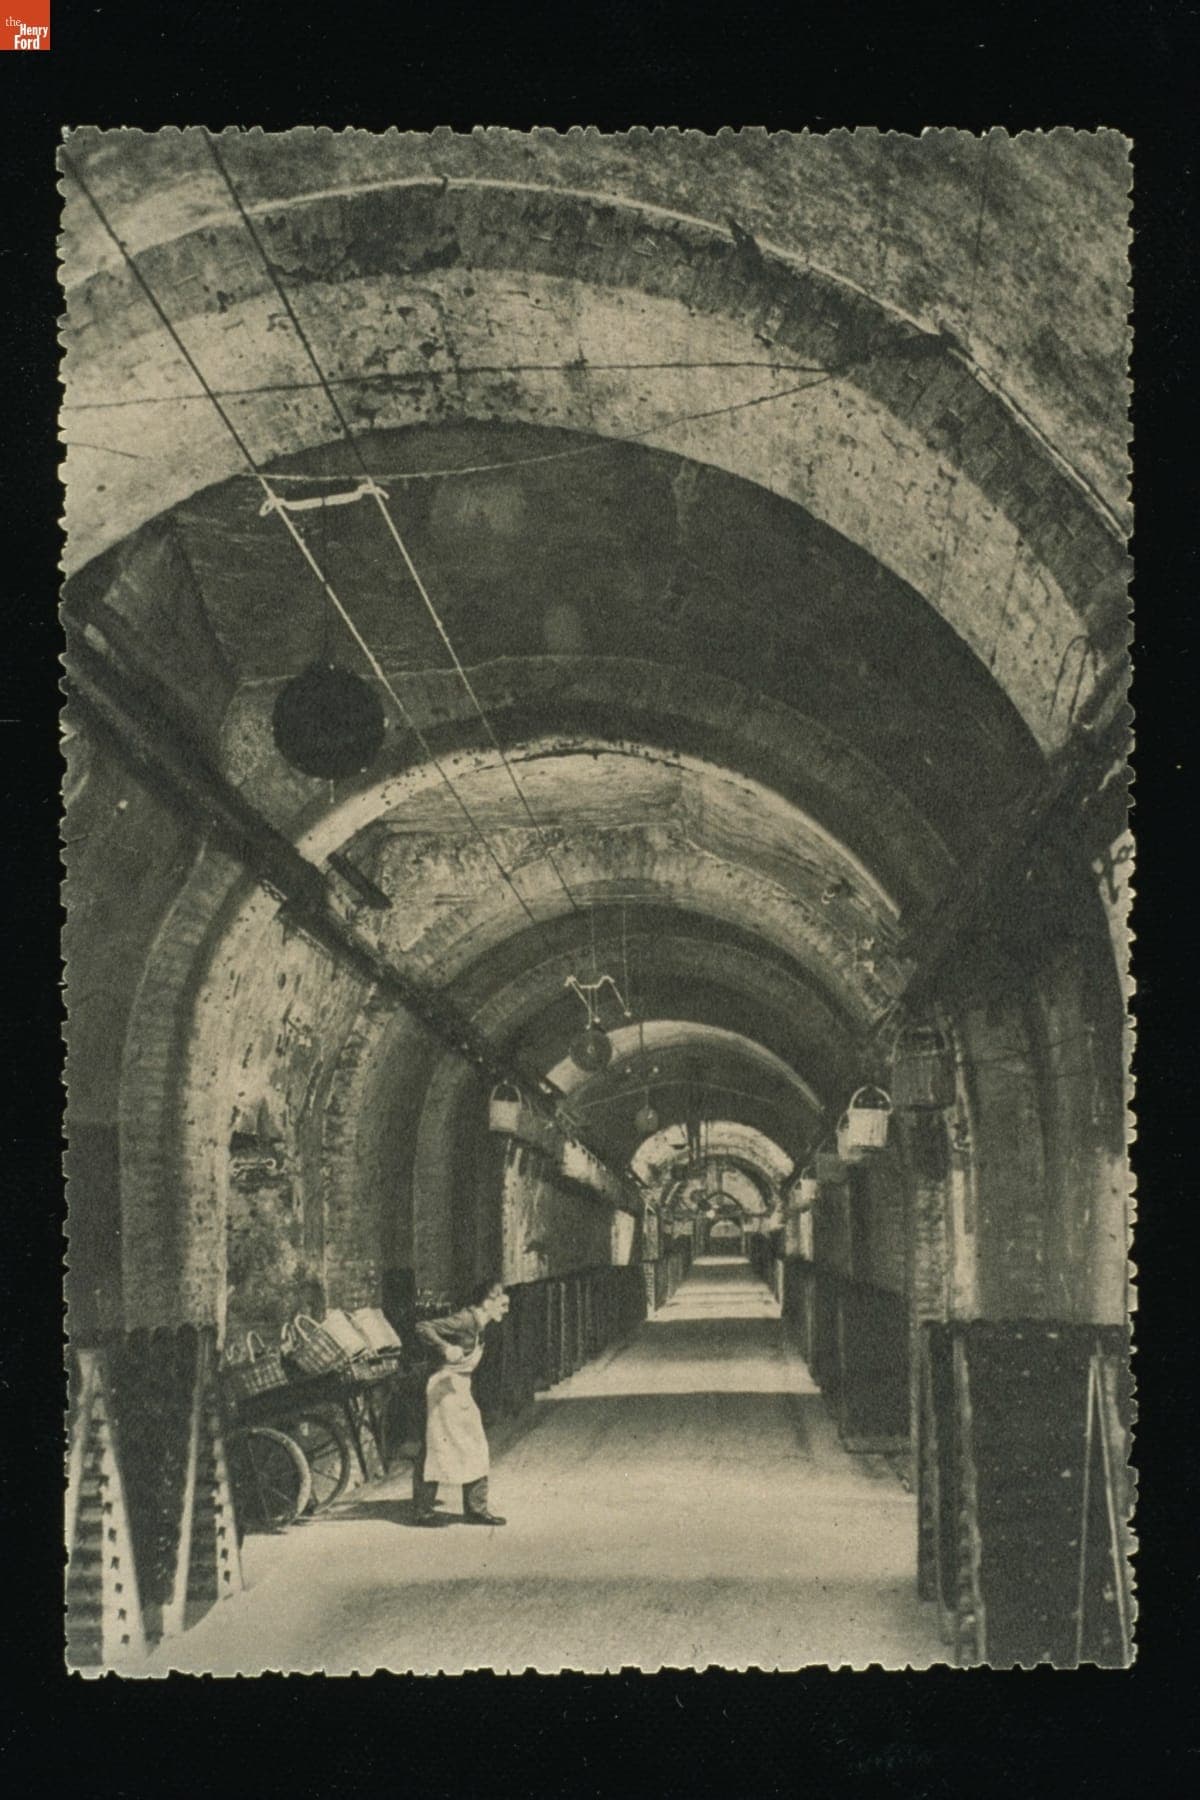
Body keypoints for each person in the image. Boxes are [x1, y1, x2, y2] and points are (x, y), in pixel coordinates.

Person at [412, 1277, 510, 1526]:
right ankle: (424, 1511)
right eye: (500, 1298)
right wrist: (445, 1348)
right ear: (486, 1302)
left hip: (459, 1386)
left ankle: (474, 1508)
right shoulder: (465, 1320)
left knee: (471, 1443)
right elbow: (423, 1327)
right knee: (439, 1445)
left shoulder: (481, 1325)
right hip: (445, 1387)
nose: (505, 1304)